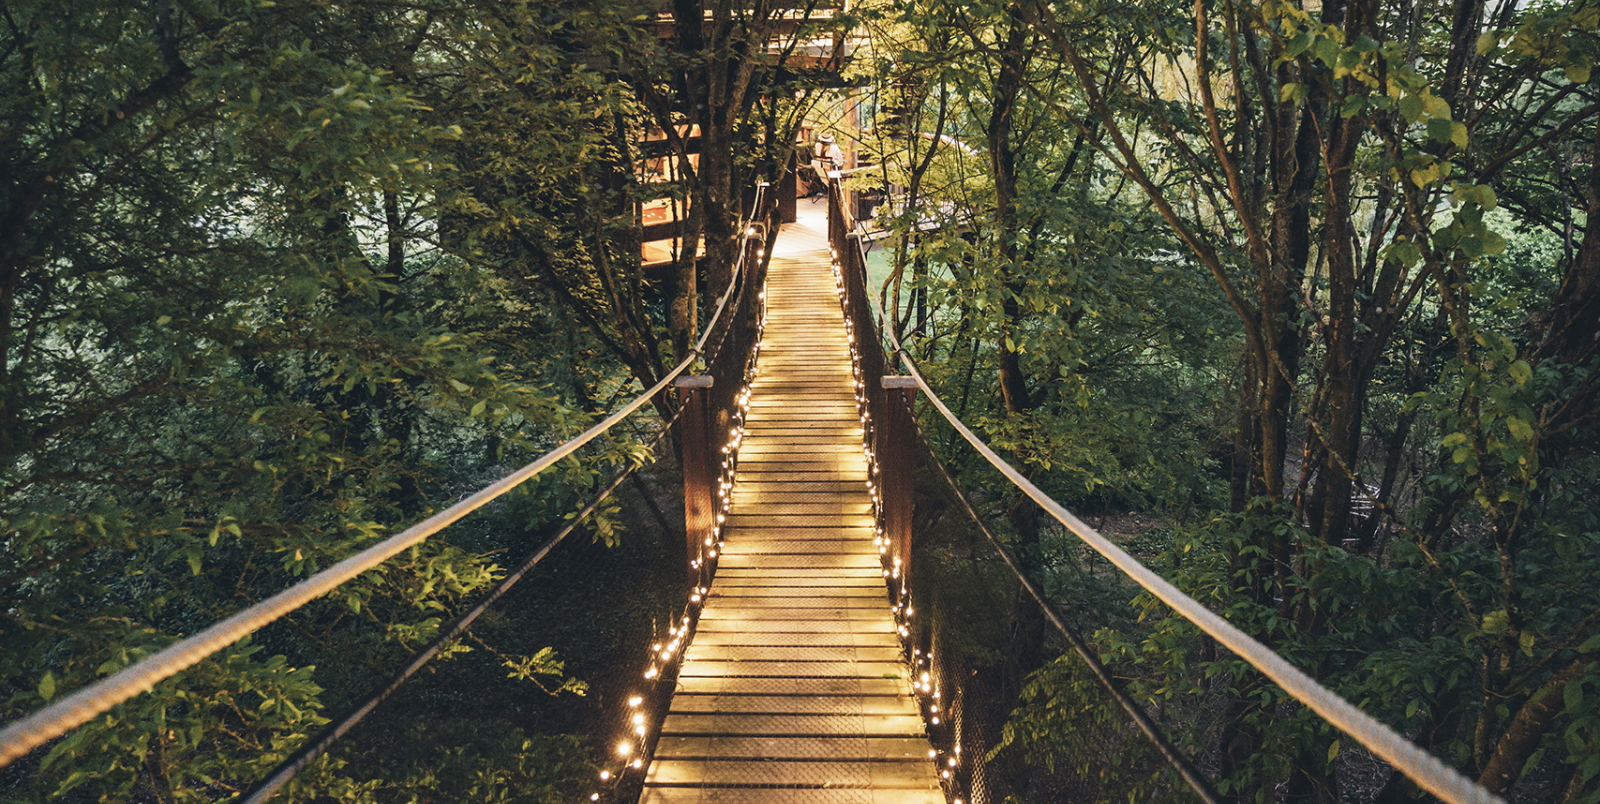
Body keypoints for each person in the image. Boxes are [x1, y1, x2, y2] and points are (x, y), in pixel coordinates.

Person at [809, 132, 844, 196]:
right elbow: (840, 159)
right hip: (832, 172)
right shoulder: (834, 147)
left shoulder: (817, 146)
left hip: (822, 172)